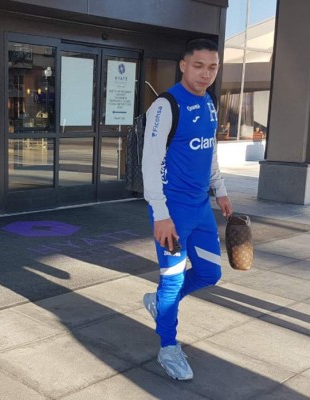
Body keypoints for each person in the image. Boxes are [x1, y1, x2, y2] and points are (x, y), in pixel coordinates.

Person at [141, 38, 233, 380]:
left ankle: (160, 303)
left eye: (212, 67)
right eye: (199, 66)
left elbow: (209, 153)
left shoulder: (209, 102)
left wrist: (220, 191)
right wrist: (160, 213)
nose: (206, 74)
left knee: (210, 274)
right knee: (171, 279)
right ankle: (168, 347)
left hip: (201, 208)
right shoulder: (166, 106)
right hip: (172, 212)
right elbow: (150, 164)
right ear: (183, 65)